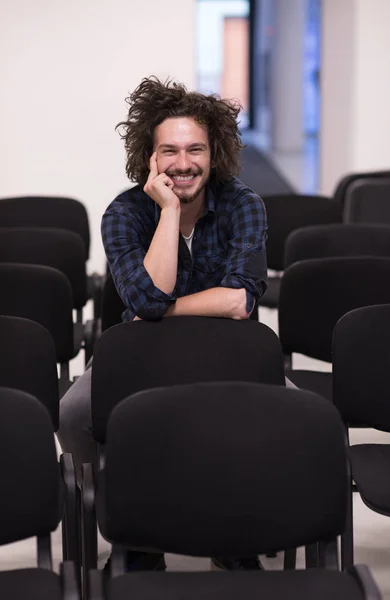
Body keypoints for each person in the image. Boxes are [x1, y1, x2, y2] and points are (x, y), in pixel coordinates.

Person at [58, 76, 273, 572]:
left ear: (214, 151)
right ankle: (130, 522)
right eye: (169, 151)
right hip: (141, 359)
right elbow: (150, 296)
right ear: (149, 157)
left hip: (228, 357)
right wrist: (170, 211)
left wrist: (161, 309)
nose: (183, 164)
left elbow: (239, 301)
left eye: (195, 149)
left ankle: (240, 531)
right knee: (73, 412)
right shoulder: (124, 213)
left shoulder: (244, 205)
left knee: (297, 413)